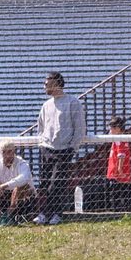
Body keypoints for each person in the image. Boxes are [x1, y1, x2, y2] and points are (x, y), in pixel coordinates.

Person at [34, 71, 84, 225]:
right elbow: (40, 127)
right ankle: (48, 213)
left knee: (57, 183)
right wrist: (42, 145)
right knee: (46, 183)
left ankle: (52, 213)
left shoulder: (72, 102)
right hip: (47, 149)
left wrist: (72, 148)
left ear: (55, 83)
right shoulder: (46, 105)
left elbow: (80, 127)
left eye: (46, 83)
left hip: (64, 150)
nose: (44, 86)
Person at [103, 116, 131, 212]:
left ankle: (118, 211)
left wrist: (119, 169)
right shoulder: (118, 138)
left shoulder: (120, 139)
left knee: (116, 194)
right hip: (116, 172)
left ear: (118, 129)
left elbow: (121, 155)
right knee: (120, 193)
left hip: (117, 173)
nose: (110, 130)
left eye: (111, 128)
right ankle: (121, 210)